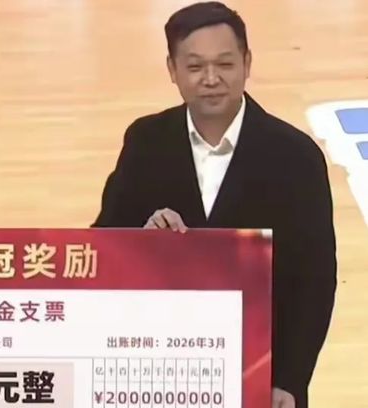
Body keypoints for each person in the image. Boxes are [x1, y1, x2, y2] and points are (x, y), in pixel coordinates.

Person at [92, 2, 336, 408]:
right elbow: (101, 245)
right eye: (194, 67)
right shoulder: (146, 142)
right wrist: (142, 237)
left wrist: (289, 380)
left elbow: (315, 280)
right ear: (172, 69)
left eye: (224, 64)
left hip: (262, 379)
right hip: (163, 372)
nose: (211, 79)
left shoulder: (296, 156)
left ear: (247, 63)